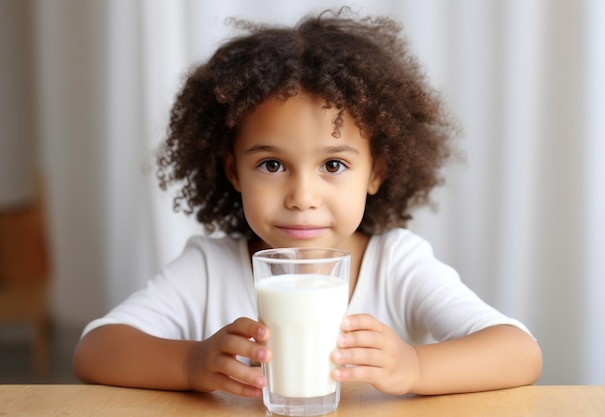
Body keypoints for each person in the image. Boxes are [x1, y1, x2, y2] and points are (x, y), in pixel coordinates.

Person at [73, 7, 542, 397]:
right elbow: (95, 350)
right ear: (234, 171)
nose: (302, 197)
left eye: (333, 166)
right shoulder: (209, 270)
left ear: (375, 172)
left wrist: (414, 366)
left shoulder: (396, 265)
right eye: (272, 165)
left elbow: (519, 352)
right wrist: (192, 361)